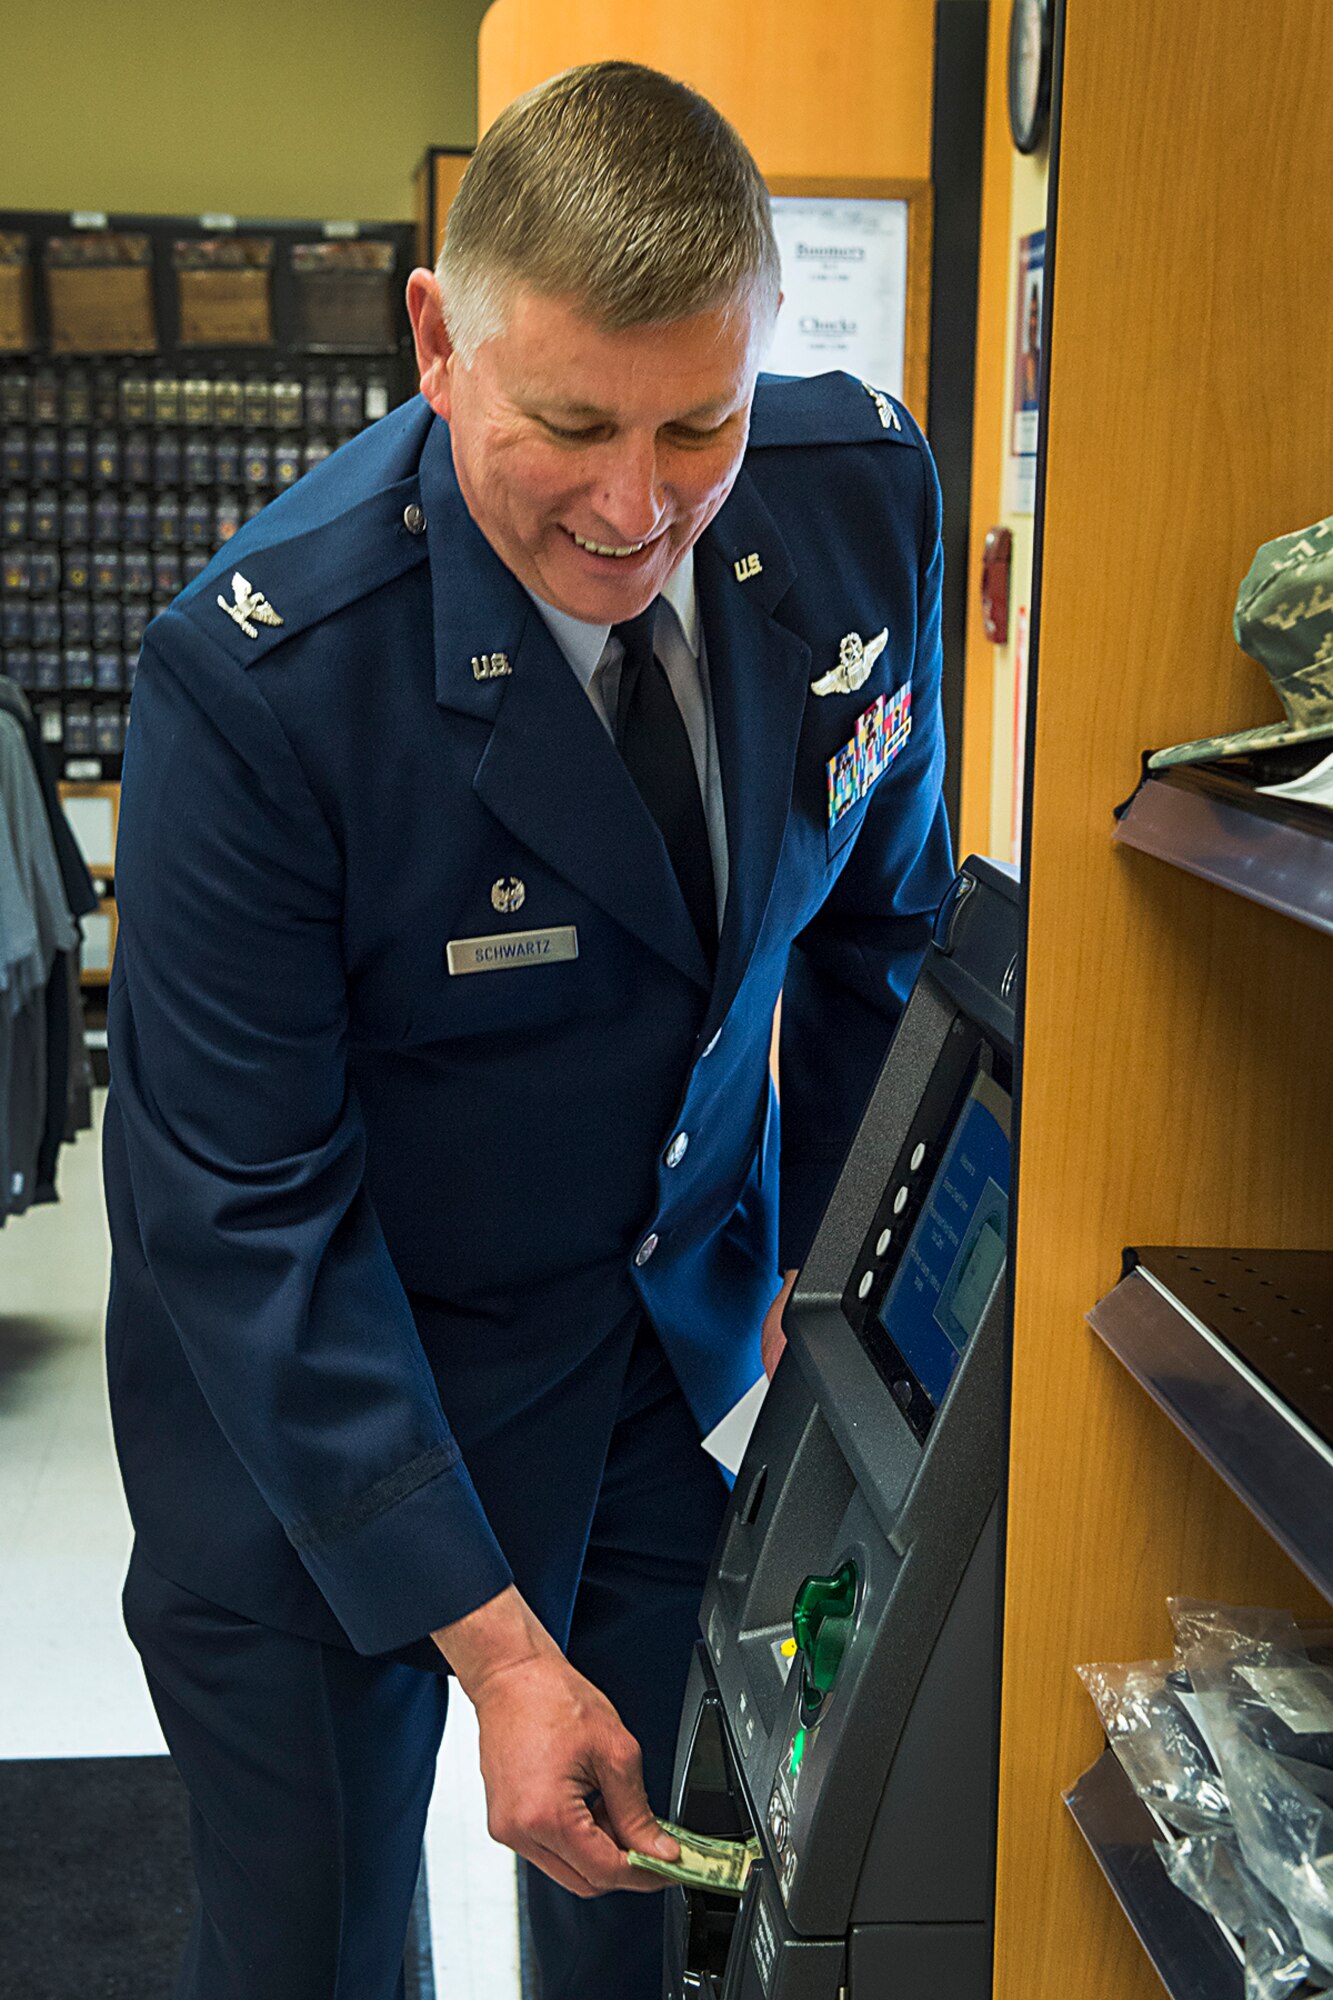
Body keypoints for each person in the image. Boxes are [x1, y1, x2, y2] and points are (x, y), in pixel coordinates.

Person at [103, 59, 954, 2000]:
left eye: (698, 423)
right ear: (437, 341)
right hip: (322, 1412)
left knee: (644, 1911)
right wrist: (488, 1644)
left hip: (657, 1358)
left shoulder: (851, 508)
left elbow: (879, 942)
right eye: (570, 424)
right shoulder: (262, 682)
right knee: (319, 1945)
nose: (636, 506)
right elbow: (243, 1214)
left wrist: (846, 1348)